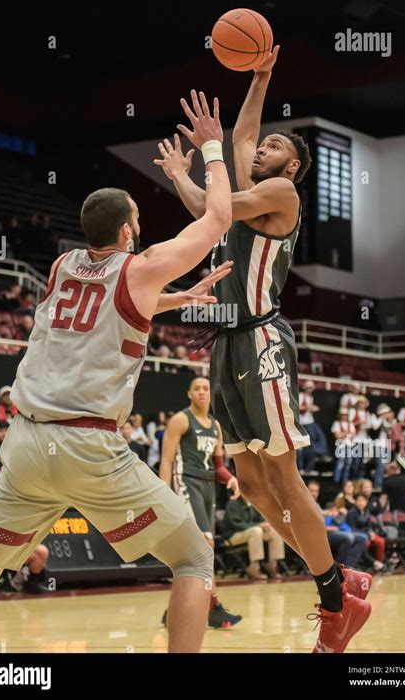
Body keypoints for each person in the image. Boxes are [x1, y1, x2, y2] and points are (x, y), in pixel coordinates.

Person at [0, 91, 234, 654]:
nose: (139, 230)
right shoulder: (139, 268)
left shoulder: (63, 267)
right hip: (89, 448)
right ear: (126, 233)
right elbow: (217, 218)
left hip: (24, 443)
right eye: (137, 222)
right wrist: (213, 146)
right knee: (192, 557)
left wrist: (174, 297)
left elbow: (102, 312)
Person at [155, 52, 371, 652]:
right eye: (262, 143)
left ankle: (334, 603)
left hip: (262, 338)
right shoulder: (242, 185)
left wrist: (204, 160)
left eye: (275, 145)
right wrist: (261, 78)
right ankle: (336, 575)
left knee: (282, 471)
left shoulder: (278, 194)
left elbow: (214, 204)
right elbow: (237, 144)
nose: (260, 147)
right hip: (225, 343)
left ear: (293, 165)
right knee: (249, 482)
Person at [160, 376, 242, 626]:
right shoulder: (181, 420)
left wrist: (231, 479)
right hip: (187, 482)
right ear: (189, 394)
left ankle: (173, 612)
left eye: (206, 388)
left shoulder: (216, 426)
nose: (202, 392)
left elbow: (218, 466)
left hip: (208, 488)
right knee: (204, 547)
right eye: (197, 388)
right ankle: (213, 609)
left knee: (201, 552)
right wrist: (165, 495)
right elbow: (166, 459)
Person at [221, 495, 286, 580]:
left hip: (250, 532)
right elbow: (235, 524)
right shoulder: (233, 503)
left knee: (274, 532)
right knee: (256, 530)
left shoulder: (253, 502)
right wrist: (258, 525)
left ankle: (272, 564)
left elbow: (259, 519)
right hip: (232, 535)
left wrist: (266, 525)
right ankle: (254, 567)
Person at [297, 380, 328, 476]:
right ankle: (320, 455)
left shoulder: (310, 397)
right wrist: (309, 408)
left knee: (319, 438)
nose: (310, 390)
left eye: (311, 388)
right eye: (308, 388)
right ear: (305, 388)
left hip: (310, 421)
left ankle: (321, 454)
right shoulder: (301, 396)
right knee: (310, 442)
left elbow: (306, 409)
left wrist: (311, 408)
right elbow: (297, 408)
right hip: (304, 423)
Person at [347, 495, 386, 572]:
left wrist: (371, 533)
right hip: (357, 535)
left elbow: (369, 526)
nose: (361, 503)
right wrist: (367, 534)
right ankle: (366, 564)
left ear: (366, 502)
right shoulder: (351, 513)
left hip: (367, 534)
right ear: (355, 502)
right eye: (359, 500)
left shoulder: (367, 512)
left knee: (381, 541)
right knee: (366, 543)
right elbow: (351, 528)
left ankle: (379, 564)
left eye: (363, 501)